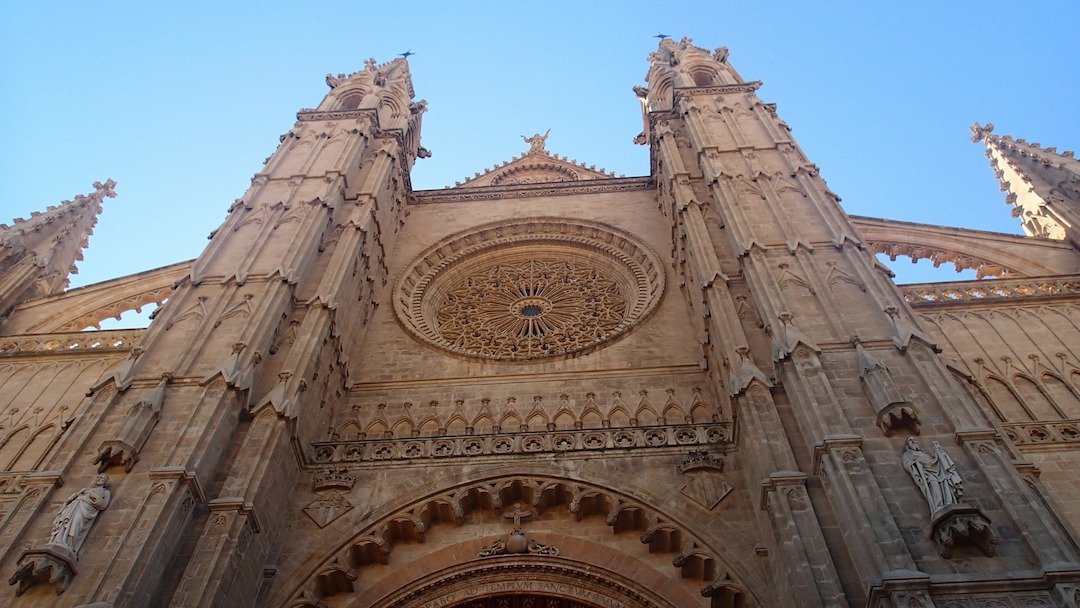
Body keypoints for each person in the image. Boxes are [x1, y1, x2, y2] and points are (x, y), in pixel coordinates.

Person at [48, 474, 111, 557]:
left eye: (102, 478)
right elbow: (73, 497)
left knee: (76, 523)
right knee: (66, 523)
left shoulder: (106, 492)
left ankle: (69, 544)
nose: (99, 478)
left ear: (105, 482)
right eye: (98, 477)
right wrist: (73, 498)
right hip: (75, 506)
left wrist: (95, 497)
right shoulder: (86, 489)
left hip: (86, 510)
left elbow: (103, 505)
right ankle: (59, 539)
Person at [903, 438, 962, 515]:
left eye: (914, 440)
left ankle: (949, 502)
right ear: (907, 445)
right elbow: (907, 465)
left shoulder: (923, 453)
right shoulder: (907, 454)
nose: (913, 441)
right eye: (910, 440)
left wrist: (939, 453)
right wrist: (915, 463)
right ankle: (938, 506)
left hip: (936, 469)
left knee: (944, 484)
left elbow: (933, 460)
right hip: (927, 474)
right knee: (934, 486)